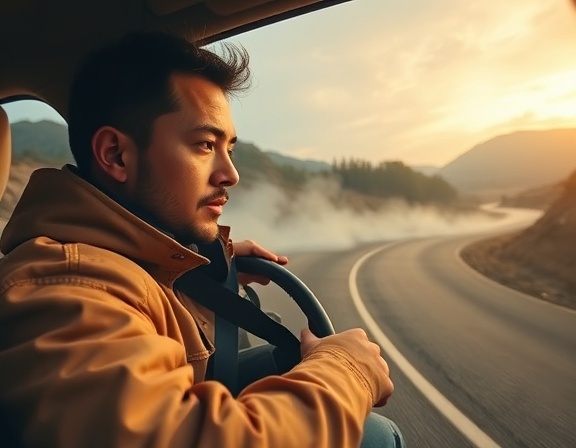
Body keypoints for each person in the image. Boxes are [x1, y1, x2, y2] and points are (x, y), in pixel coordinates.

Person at [0, 32, 404, 447]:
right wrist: (346, 369)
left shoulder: (112, 263)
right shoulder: (67, 286)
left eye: (228, 148)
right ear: (116, 155)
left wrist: (199, 270)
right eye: (204, 145)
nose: (230, 174)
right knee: (372, 436)